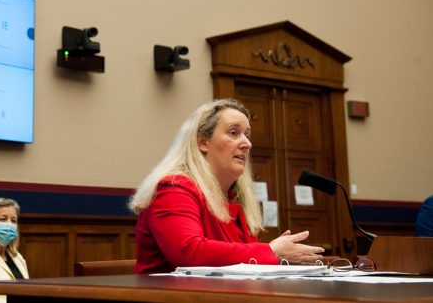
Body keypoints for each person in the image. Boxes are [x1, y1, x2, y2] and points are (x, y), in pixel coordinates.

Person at [129, 99, 324, 274]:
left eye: (247, 135)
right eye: (234, 133)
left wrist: (280, 258)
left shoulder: (234, 197)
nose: (247, 143)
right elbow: (188, 253)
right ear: (203, 142)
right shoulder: (174, 189)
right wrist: (272, 251)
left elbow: (241, 265)